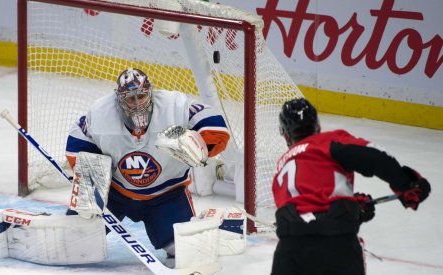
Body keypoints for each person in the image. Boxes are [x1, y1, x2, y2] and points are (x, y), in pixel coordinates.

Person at [65, 68, 230, 266]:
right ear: (119, 99)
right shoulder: (101, 113)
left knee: (184, 253)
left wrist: (201, 144)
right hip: (114, 195)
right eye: (130, 99)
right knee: (73, 243)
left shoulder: (174, 106)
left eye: (141, 96)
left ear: (151, 93)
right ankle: (82, 227)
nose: (136, 104)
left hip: (166, 195)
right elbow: (78, 143)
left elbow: (216, 126)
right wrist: (91, 179)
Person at [270, 98, 431, 275]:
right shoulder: (327, 142)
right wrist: (407, 184)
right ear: (317, 126)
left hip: (289, 252)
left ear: (285, 135)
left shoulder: (281, 167)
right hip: (336, 245)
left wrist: (353, 209)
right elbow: (376, 157)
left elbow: (306, 213)